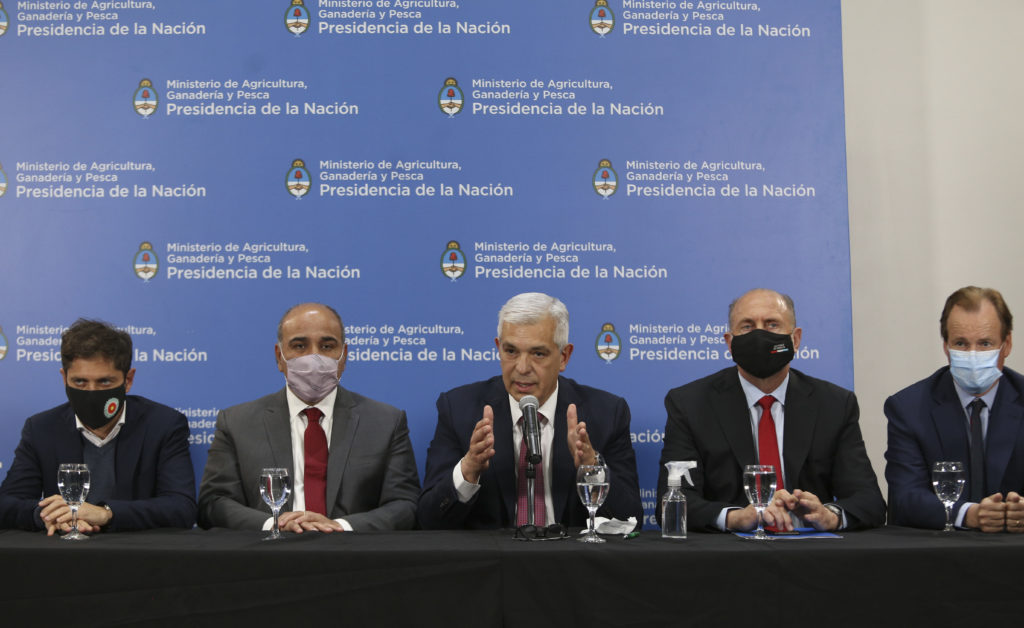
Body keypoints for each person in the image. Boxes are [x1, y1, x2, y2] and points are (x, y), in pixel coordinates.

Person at [657, 288, 885, 532]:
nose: (759, 336)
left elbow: (868, 500)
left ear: (795, 339)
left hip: (812, 547)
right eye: (747, 326)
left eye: (772, 325)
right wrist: (736, 518)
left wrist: (830, 516)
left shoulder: (834, 404)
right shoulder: (690, 404)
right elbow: (672, 502)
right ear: (729, 343)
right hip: (730, 549)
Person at [418, 292, 643, 530]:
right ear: (498, 348)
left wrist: (592, 468)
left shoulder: (607, 413)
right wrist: (468, 471)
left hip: (571, 552)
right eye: (511, 351)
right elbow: (428, 521)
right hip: (493, 553)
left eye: (538, 354)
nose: (522, 368)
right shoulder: (458, 409)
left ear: (564, 357)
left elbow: (630, 521)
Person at [198, 303, 419, 532]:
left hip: (352, 550)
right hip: (268, 550)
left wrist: (340, 527)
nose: (314, 357)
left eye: (327, 346)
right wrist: (276, 525)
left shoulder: (386, 422)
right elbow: (213, 503)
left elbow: (405, 505)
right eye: (299, 346)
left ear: (344, 356)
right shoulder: (236, 423)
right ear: (279, 357)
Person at [0, 319, 196, 534]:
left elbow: (181, 507)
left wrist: (106, 513)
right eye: (80, 382)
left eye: (105, 382)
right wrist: (51, 516)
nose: (91, 393)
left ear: (128, 380)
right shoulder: (41, 429)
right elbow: (7, 504)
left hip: (136, 549)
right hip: (64, 550)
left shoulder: (163, 424)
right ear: (64, 378)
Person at [885, 286, 1024, 532]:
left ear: (1007, 344)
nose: (973, 355)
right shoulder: (908, 408)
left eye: (985, 343)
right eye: (961, 343)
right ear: (946, 346)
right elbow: (905, 498)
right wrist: (968, 514)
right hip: (941, 550)